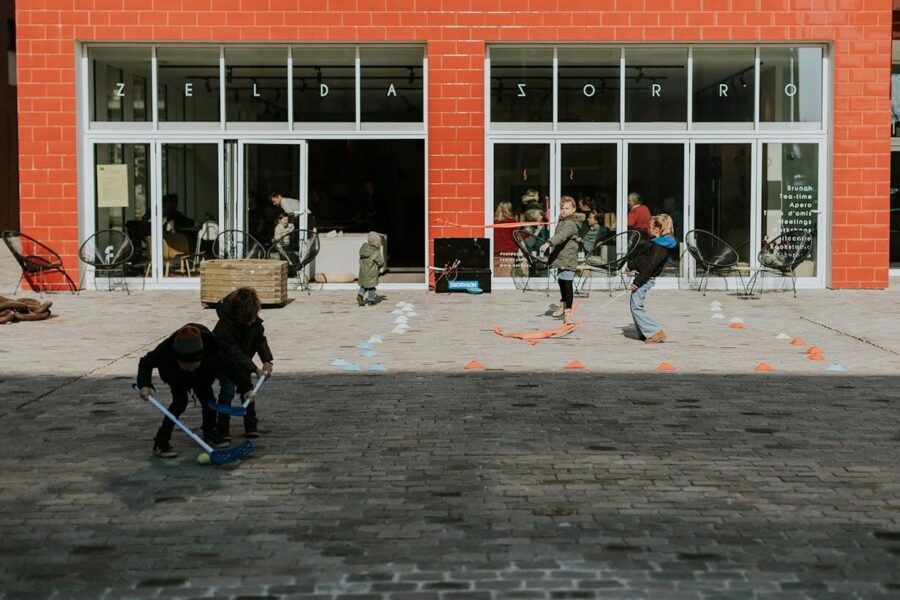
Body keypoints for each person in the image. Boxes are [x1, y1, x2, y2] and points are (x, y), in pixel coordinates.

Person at [136, 324, 254, 458]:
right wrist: (144, 385)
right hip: (176, 376)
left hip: (203, 374)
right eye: (187, 366)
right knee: (179, 403)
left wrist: (246, 388)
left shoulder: (213, 350)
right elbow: (145, 363)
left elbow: (232, 369)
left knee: (209, 401)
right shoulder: (165, 351)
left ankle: (210, 431)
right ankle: (161, 441)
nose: (191, 369)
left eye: (194, 365)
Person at [213, 288, 273, 441]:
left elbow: (260, 340)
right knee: (228, 389)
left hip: (243, 360)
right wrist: (255, 368)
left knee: (248, 389)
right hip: (224, 362)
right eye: (248, 320)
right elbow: (234, 352)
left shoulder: (252, 319)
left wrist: (267, 360)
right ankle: (222, 427)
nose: (251, 322)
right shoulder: (224, 326)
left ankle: (251, 424)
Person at [624, 214, 677, 344]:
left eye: (650, 227)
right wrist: (631, 265)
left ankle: (655, 332)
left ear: (658, 229)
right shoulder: (656, 243)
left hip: (645, 279)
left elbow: (649, 267)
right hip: (643, 276)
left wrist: (636, 283)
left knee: (636, 306)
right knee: (635, 304)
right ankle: (644, 332)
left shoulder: (660, 247)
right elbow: (643, 259)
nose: (648, 229)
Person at [539, 196, 582, 325]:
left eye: (567, 208)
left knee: (567, 285)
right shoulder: (563, 221)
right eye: (562, 208)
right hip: (561, 257)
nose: (564, 211)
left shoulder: (570, 223)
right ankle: (563, 304)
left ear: (573, 209)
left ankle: (568, 313)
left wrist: (548, 243)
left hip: (568, 258)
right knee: (561, 281)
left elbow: (561, 236)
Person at [357, 231, 385, 306]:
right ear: (377, 243)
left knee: (364, 286)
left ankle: (360, 295)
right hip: (372, 273)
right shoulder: (375, 252)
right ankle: (371, 301)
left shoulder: (363, 249)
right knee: (372, 287)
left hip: (363, 272)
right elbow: (381, 262)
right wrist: (379, 267)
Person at [493, 201, 519, 277]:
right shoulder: (511, 222)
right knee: (506, 278)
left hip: (495, 253)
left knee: (496, 278)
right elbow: (517, 237)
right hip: (508, 253)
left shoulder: (494, 222)